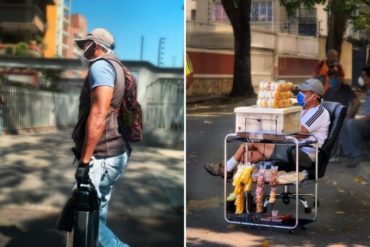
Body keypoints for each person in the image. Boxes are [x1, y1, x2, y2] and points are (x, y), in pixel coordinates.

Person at [72, 28, 130, 247]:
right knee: (98, 210)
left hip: (103, 155)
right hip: (115, 152)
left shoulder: (100, 67)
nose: (81, 49)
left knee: (85, 215)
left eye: (83, 44)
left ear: (95, 45)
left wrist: (85, 161)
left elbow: (99, 114)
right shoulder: (117, 66)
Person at [205, 78, 330, 177]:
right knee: (246, 157)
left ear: (315, 96)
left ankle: (226, 168)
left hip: (302, 154)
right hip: (291, 147)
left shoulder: (319, 112)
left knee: (252, 140)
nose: (300, 94)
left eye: (304, 92)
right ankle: (239, 196)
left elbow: (300, 130)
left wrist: (276, 130)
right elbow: (290, 129)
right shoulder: (302, 110)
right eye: (300, 92)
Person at [323, 70, 361, 161]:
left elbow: (357, 103)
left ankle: (345, 154)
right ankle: (328, 152)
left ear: (340, 78)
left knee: (339, 126)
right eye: (331, 78)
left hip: (342, 118)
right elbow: (324, 106)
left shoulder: (345, 89)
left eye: (335, 78)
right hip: (330, 118)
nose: (333, 80)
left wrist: (349, 117)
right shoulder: (328, 91)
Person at [340, 66, 370, 168]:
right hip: (367, 123)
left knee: (350, 123)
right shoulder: (368, 91)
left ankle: (360, 154)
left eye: (363, 76)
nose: (361, 78)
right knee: (344, 122)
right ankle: (351, 153)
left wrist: (356, 120)